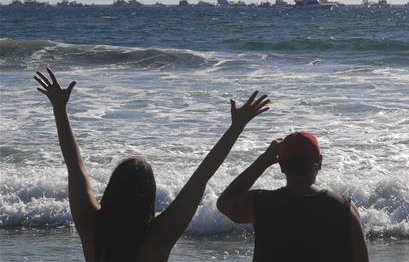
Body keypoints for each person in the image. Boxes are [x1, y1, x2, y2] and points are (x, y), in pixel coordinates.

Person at [34, 67, 269, 262]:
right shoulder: (158, 239)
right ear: (148, 198)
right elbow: (201, 177)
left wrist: (59, 109)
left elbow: (75, 166)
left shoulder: (92, 230)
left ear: (112, 191)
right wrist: (237, 127)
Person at [217, 130, 369, 261]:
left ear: (281, 166)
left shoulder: (261, 204)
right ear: (319, 163)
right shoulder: (344, 208)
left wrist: (264, 160)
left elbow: (225, 202)